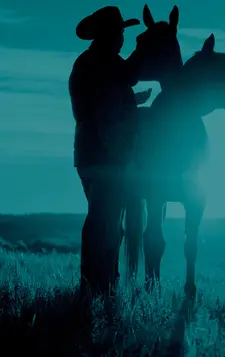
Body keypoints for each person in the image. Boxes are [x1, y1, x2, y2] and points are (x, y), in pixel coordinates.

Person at [68, 6, 149, 299]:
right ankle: (99, 290)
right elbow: (107, 109)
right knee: (106, 223)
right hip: (106, 157)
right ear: (110, 36)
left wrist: (130, 100)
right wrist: (122, 158)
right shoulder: (103, 64)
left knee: (105, 221)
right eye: (120, 33)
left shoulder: (94, 63)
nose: (123, 39)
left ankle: (100, 288)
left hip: (92, 155)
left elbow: (116, 92)